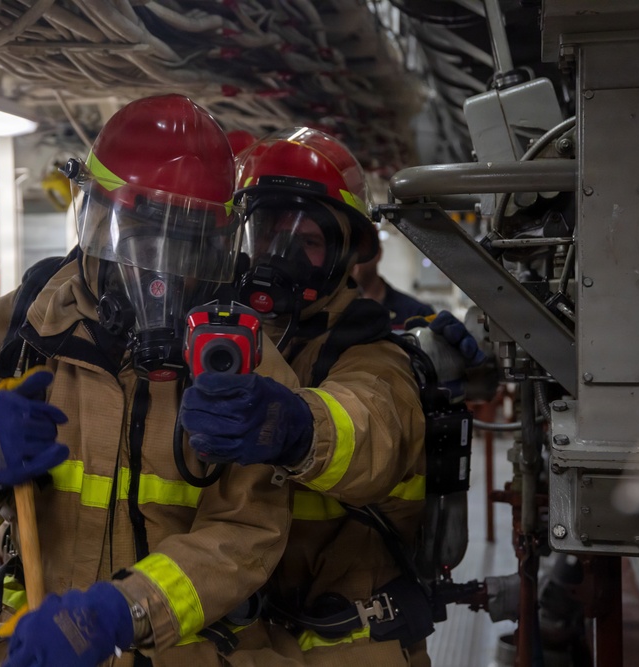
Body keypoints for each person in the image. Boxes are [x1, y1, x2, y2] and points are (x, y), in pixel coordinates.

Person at [0, 94, 300, 667]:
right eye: (142, 237)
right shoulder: (16, 330)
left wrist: (123, 612)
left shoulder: (241, 361)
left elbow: (246, 534)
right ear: (96, 221)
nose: (160, 272)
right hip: (28, 644)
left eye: (186, 244)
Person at [181, 127, 433, 666]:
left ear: (344, 253)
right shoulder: (217, 337)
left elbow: (372, 432)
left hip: (350, 642)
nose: (279, 253)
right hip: (243, 641)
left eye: (308, 240)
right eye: (267, 231)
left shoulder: (369, 348)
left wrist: (296, 426)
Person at [351, 243, 435, 330]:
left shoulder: (417, 314)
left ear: (377, 253)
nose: (350, 261)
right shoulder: (340, 313)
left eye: (357, 253)